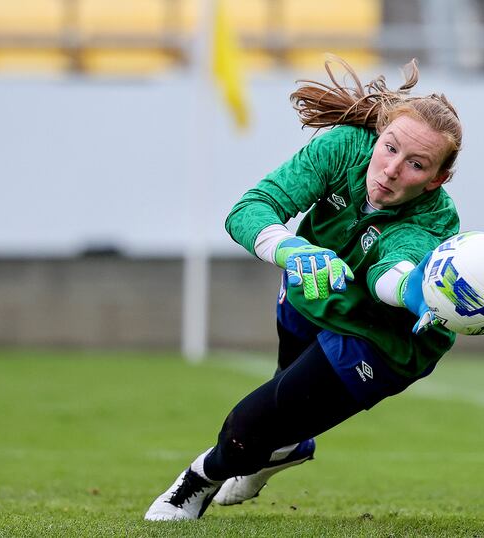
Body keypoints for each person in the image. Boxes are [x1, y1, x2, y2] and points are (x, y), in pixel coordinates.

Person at [144, 55, 463, 521]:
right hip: (312, 294)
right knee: (282, 414)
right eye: (390, 148)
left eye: (416, 164)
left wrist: (416, 293)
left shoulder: (433, 218)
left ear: (437, 178)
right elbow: (251, 208)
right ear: (378, 137)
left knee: (251, 425)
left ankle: (198, 481)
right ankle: (286, 446)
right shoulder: (342, 149)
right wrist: (293, 251)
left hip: (379, 338)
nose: (393, 170)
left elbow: (389, 272)